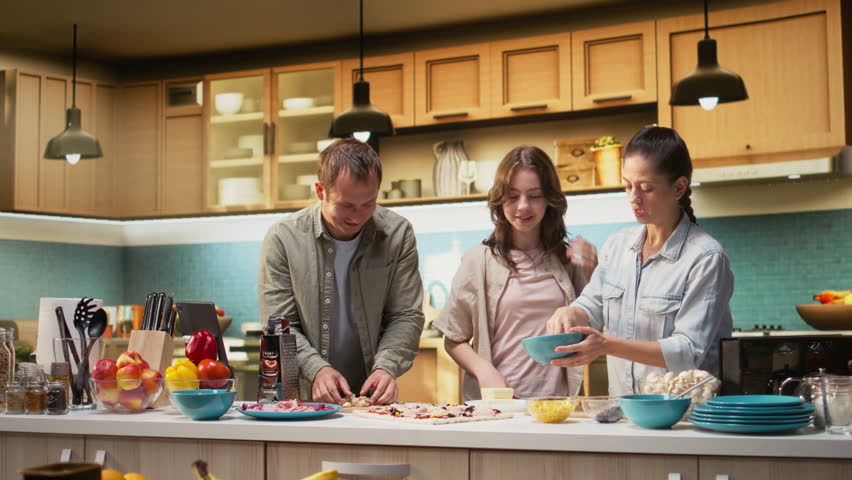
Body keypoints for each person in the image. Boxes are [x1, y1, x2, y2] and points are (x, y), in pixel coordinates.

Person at [546, 126, 734, 396]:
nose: (634, 198)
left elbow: (688, 351)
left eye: (646, 188)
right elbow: (592, 306)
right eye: (628, 185)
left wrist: (606, 345)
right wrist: (569, 312)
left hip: (686, 415)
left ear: (679, 187)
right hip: (623, 411)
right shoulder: (617, 246)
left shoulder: (705, 258)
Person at [258, 138, 425, 405]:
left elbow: (405, 315)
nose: (357, 216)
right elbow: (279, 324)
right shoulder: (283, 238)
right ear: (320, 191)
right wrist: (316, 369)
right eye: (346, 205)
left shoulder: (398, 233)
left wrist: (386, 367)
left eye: (368, 203)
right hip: (300, 399)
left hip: (371, 398)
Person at [433, 145, 597, 400]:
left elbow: (594, 330)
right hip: (498, 406)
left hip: (558, 406)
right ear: (500, 200)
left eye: (534, 196)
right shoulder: (478, 261)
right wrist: (483, 371)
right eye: (512, 196)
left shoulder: (567, 260)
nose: (523, 206)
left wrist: (593, 273)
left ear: (549, 199)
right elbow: (453, 339)